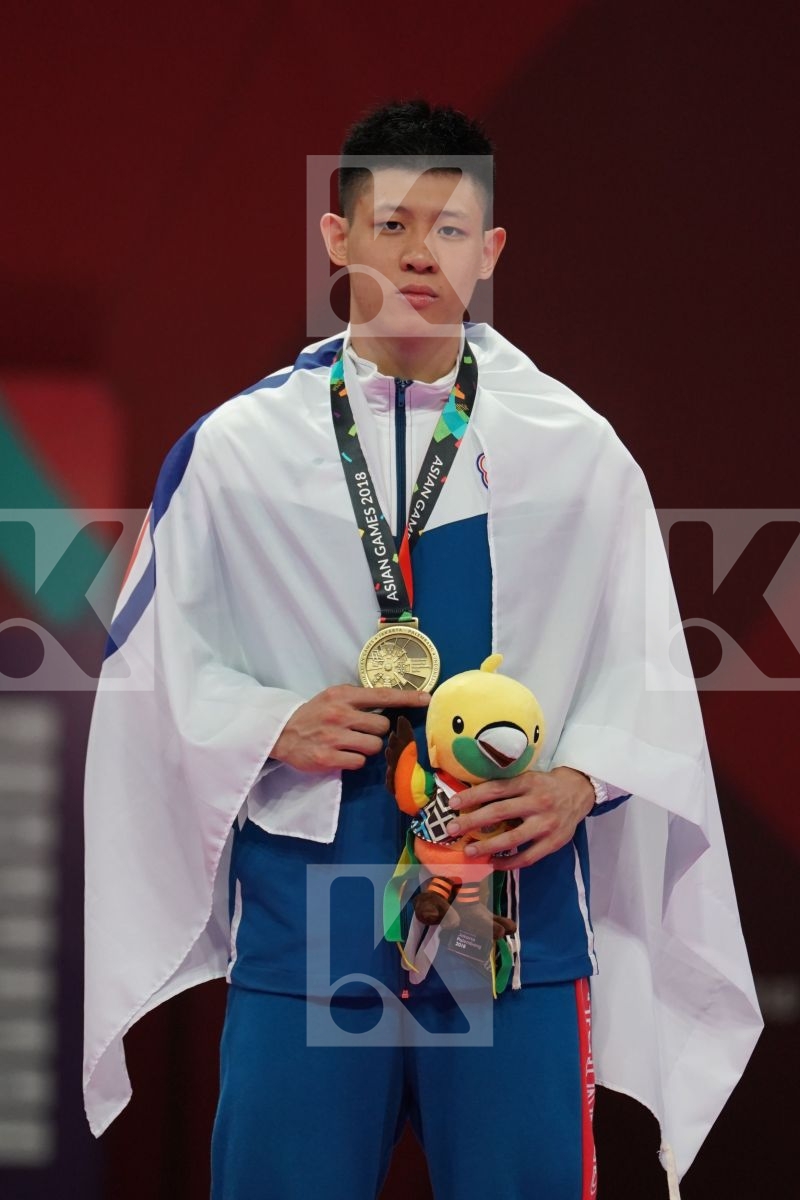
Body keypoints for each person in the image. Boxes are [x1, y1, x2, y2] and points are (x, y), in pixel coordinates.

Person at [83, 101, 761, 1199]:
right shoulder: (233, 452)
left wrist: (583, 780)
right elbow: (148, 671)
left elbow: (643, 668)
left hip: (514, 931)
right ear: (334, 238)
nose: (416, 253)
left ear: (488, 252)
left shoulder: (576, 452)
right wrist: (268, 722)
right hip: (309, 928)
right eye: (390, 222)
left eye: (447, 230)